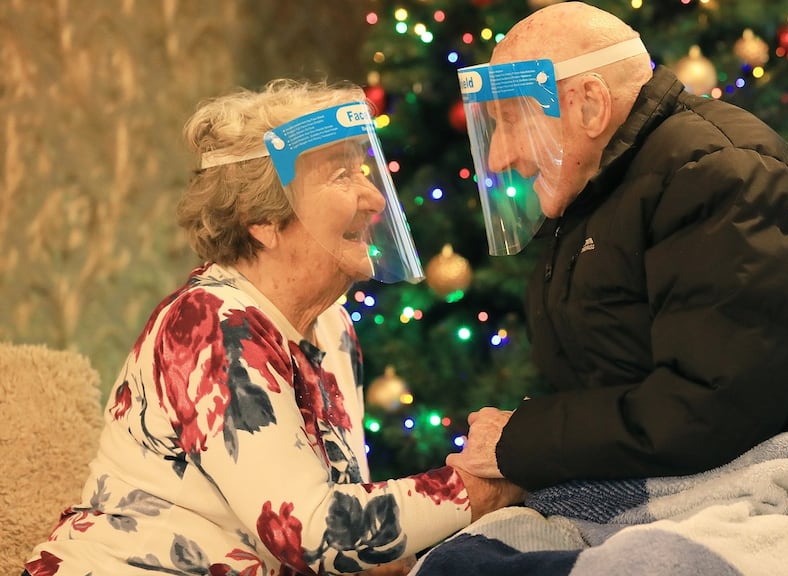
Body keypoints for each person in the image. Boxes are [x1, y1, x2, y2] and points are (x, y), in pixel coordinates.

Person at [23, 79, 523, 576]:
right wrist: (477, 489)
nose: (372, 196)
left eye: (363, 169)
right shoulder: (211, 325)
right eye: (342, 174)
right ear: (261, 218)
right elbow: (308, 530)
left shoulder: (332, 325)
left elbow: (329, 516)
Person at [446, 2, 788, 494]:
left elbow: (706, 411)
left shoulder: (722, 174)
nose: (499, 155)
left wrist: (523, 439)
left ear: (590, 105)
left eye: (514, 119)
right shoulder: (605, 187)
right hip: (710, 478)